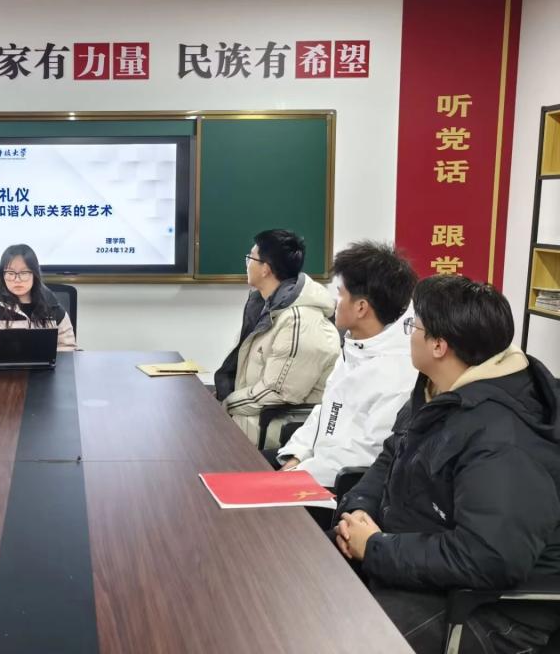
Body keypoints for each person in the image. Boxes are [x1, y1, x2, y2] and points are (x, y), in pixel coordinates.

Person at [335, 275, 560, 654]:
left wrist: (375, 548)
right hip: (417, 562)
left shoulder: (504, 437)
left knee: (340, 636)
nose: (408, 333)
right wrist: (358, 510)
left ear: (439, 345)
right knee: (304, 578)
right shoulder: (437, 388)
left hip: (486, 607)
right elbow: (391, 455)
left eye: (414, 325)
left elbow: (489, 556)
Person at [271, 241, 418, 486]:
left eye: (340, 293)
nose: (334, 301)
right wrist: (296, 455)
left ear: (361, 307)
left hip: (340, 488)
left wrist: (297, 475)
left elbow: (366, 456)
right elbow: (324, 414)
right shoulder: (356, 349)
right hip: (313, 469)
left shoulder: (397, 373)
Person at [215, 229, 341, 447]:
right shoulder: (266, 309)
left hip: (271, 433)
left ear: (265, 268)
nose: (247, 263)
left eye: (250, 258)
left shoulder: (299, 322)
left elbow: (276, 392)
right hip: (249, 419)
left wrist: (225, 404)